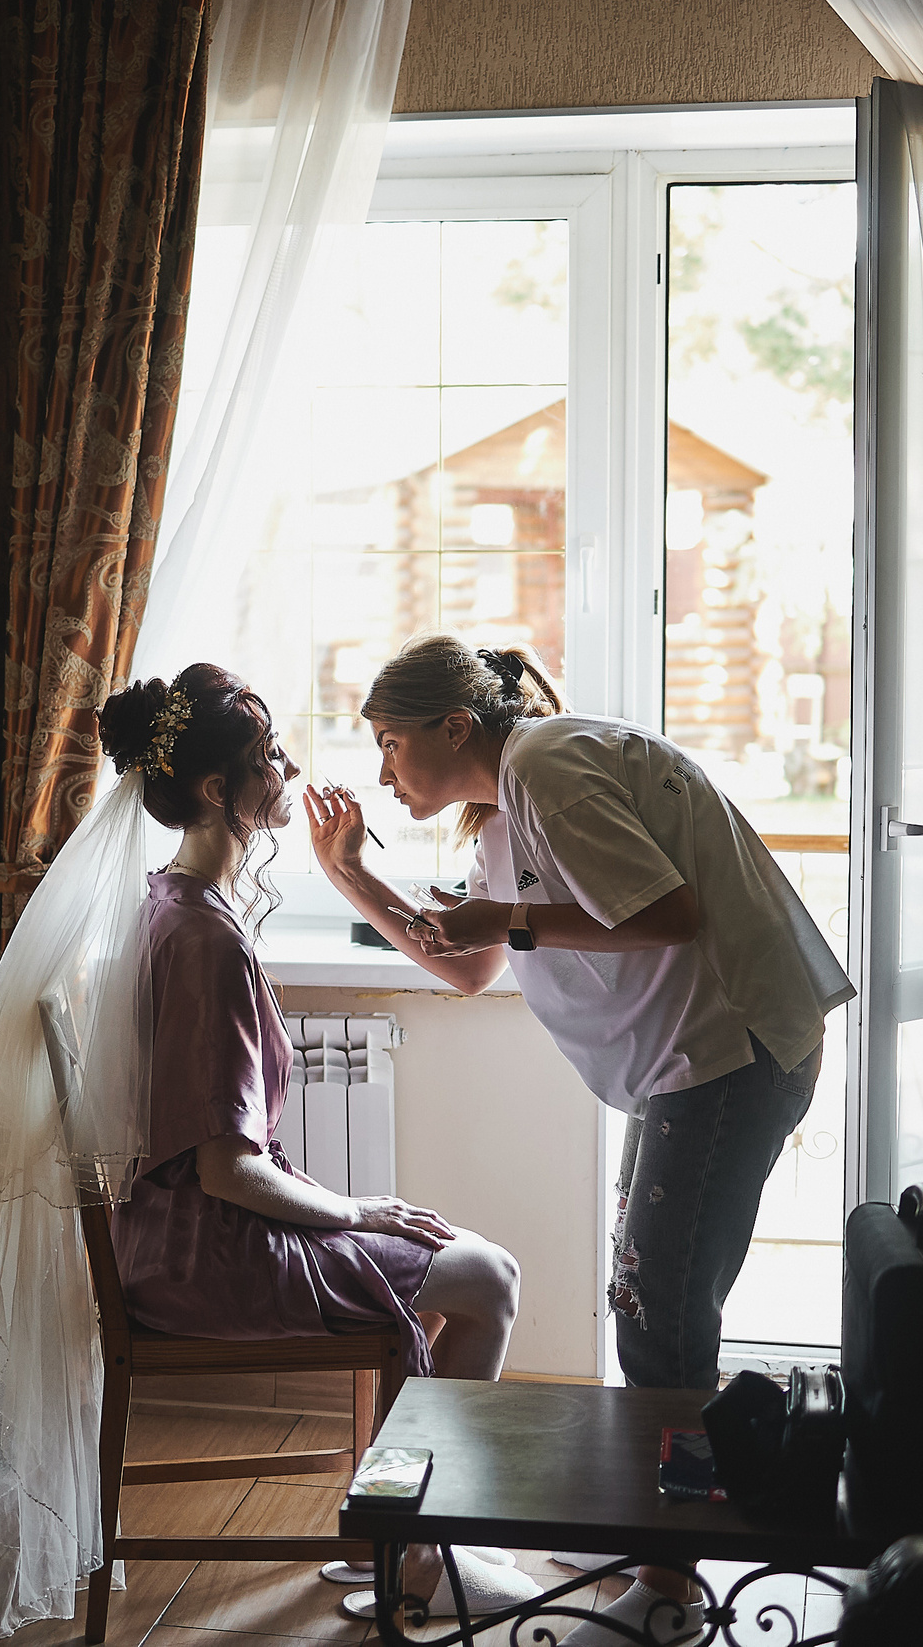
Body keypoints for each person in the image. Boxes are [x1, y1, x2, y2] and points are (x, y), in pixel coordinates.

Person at [301, 635, 855, 1647]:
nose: (382, 770)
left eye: (390, 742)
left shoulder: (549, 762)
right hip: (690, 1072)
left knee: (664, 1324)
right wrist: (349, 878)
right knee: (646, 1310)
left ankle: (670, 1585)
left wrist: (508, 918)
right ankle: (655, 1541)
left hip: (730, 1058)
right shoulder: (509, 811)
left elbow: (668, 914)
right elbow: (468, 965)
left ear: (454, 727)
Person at [95, 664, 537, 1618]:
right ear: (219, 791)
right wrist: (353, 1209)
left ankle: (395, 1529)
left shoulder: (168, 899)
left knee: (447, 1266)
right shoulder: (206, 938)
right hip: (207, 1253)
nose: (291, 767)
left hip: (165, 1235)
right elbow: (226, 1166)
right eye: (270, 758)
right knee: (489, 1277)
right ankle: (419, 1555)